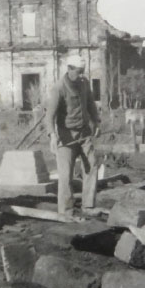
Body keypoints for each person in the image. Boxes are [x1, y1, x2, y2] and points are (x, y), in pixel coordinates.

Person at [46, 54, 101, 217]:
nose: (82, 75)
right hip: (66, 136)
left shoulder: (84, 83)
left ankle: (88, 206)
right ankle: (66, 210)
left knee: (92, 166)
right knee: (65, 175)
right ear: (69, 69)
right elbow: (50, 115)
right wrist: (53, 135)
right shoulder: (59, 88)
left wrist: (96, 122)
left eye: (83, 71)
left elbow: (90, 103)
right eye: (79, 71)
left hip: (84, 134)